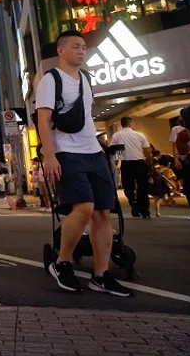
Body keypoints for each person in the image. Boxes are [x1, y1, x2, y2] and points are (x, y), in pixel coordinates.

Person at [37, 30, 132, 296]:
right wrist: (49, 154)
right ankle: (62, 261)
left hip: (94, 152)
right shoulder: (50, 80)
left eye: (83, 47)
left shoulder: (86, 79)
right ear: (61, 50)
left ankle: (101, 275)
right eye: (76, 46)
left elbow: (86, 117)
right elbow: (44, 119)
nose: (81, 51)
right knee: (84, 208)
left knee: (103, 212)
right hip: (66, 151)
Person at [110, 117, 152, 218]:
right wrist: (149, 161)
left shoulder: (117, 135)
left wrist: (116, 164)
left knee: (128, 187)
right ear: (131, 123)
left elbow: (116, 151)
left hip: (126, 163)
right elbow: (146, 150)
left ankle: (133, 202)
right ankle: (145, 211)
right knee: (142, 187)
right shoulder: (139, 134)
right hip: (139, 163)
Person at [173, 106, 190, 219]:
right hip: (188, 163)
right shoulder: (181, 134)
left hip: (189, 164)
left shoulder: (181, 133)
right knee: (189, 187)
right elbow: (181, 149)